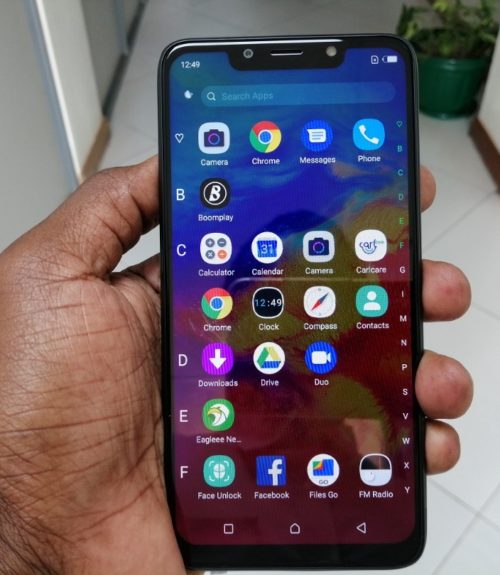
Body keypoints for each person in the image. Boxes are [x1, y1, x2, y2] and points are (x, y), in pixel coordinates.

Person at [0, 157, 473, 574]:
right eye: (272, 292)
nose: (293, 323)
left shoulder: (346, 408)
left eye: (318, 299)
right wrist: (25, 533)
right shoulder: (200, 387)